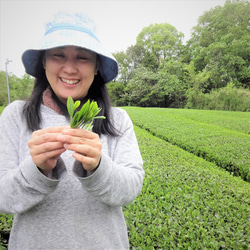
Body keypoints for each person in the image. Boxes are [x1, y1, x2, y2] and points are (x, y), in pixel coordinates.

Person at [0, 12, 144, 249]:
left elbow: (130, 190)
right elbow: (3, 199)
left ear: (97, 66)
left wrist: (98, 166)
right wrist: (36, 169)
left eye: (82, 57)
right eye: (58, 55)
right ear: (44, 62)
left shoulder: (117, 119)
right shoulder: (16, 116)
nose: (69, 68)